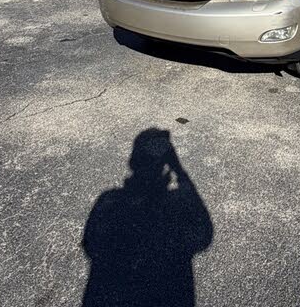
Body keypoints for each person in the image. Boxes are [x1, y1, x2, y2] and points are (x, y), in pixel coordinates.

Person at [82, 128, 213, 307]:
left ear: (133, 162)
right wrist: (180, 171)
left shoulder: (110, 202)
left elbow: (91, 245)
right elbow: (204, 236)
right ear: (167, 165)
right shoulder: (176, 205)